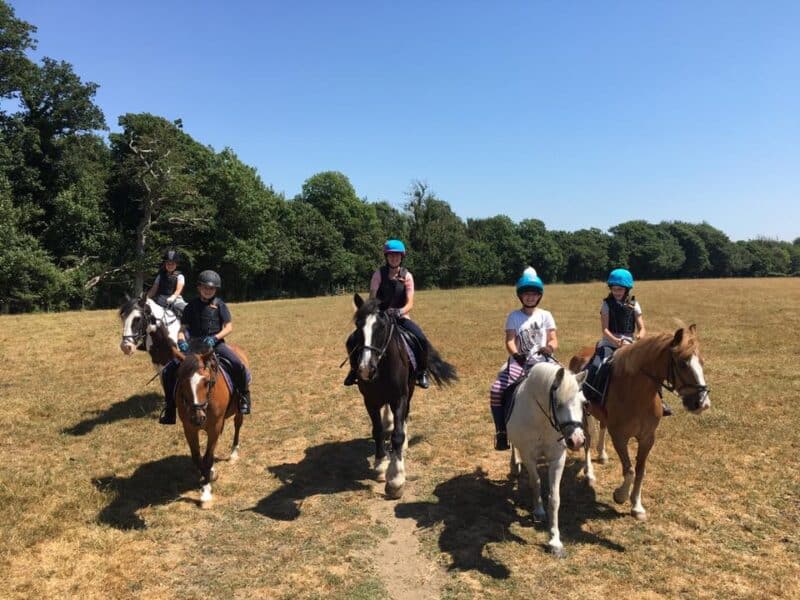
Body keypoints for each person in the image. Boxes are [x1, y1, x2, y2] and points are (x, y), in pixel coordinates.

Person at [158, 270, 251, 425]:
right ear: (199, 288)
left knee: (238, 364)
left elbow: (228, 327)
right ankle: (170, 407)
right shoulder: (190, 306)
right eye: (205, 288)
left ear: (216, 290)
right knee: (168, 371)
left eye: (212, 288)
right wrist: (181, 340)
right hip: (193, 345)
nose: (208, 291)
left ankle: (243, 398)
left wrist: (215, 338)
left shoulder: (220, 305)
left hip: (215, 344)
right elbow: (183, 328)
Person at [344, 239, 431, 388]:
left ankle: (422, 372)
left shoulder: (407, 277)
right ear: (386, 257)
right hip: (380, 317)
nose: (394, 258)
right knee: (351, 340)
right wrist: (377, 312)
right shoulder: (378, 274)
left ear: (401, 257)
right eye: (391, 255)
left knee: (421, 339)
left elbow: (410, 302)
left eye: (397, 255)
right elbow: (372, 298)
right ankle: (353, 370)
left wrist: (399, 311)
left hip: (400, 317)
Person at [489, 267, 558, 451]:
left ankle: (568, 429)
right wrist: (516, 354)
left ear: (539, 296)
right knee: (496, 390)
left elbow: (553, 339)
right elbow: (510, 340)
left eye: (534, 294)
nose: (530, 297)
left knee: (567, 387)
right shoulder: (514, 316)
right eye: (526, 294)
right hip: (520, 362)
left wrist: (549, 347)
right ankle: (502, 432)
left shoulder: (546, 315)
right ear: (520, 296)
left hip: (544, 361)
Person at [588, 267, 670, 415]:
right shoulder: (606, 305)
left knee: (651, 365)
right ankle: (593, 394)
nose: (617, 292)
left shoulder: (634, 304)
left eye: (620, 289)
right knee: (600, 364)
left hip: (630, 342)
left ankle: (660, 400)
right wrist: (616, 341)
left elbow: (642, 327)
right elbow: (605, 330)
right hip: (610, 341)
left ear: (627, 289)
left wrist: (641, 335)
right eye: (614, 289)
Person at [146, 249, 187, 316]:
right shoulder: (160, 276)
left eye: (172, 264)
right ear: (165, 264)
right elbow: (153, 290)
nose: (170, 265)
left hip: (175, 300)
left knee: (186, 309)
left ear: (176, 264)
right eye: (168, 263)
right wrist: (146, 297)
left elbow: (178, 290)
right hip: (160, 299)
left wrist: (173, 297)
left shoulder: (180, 276)